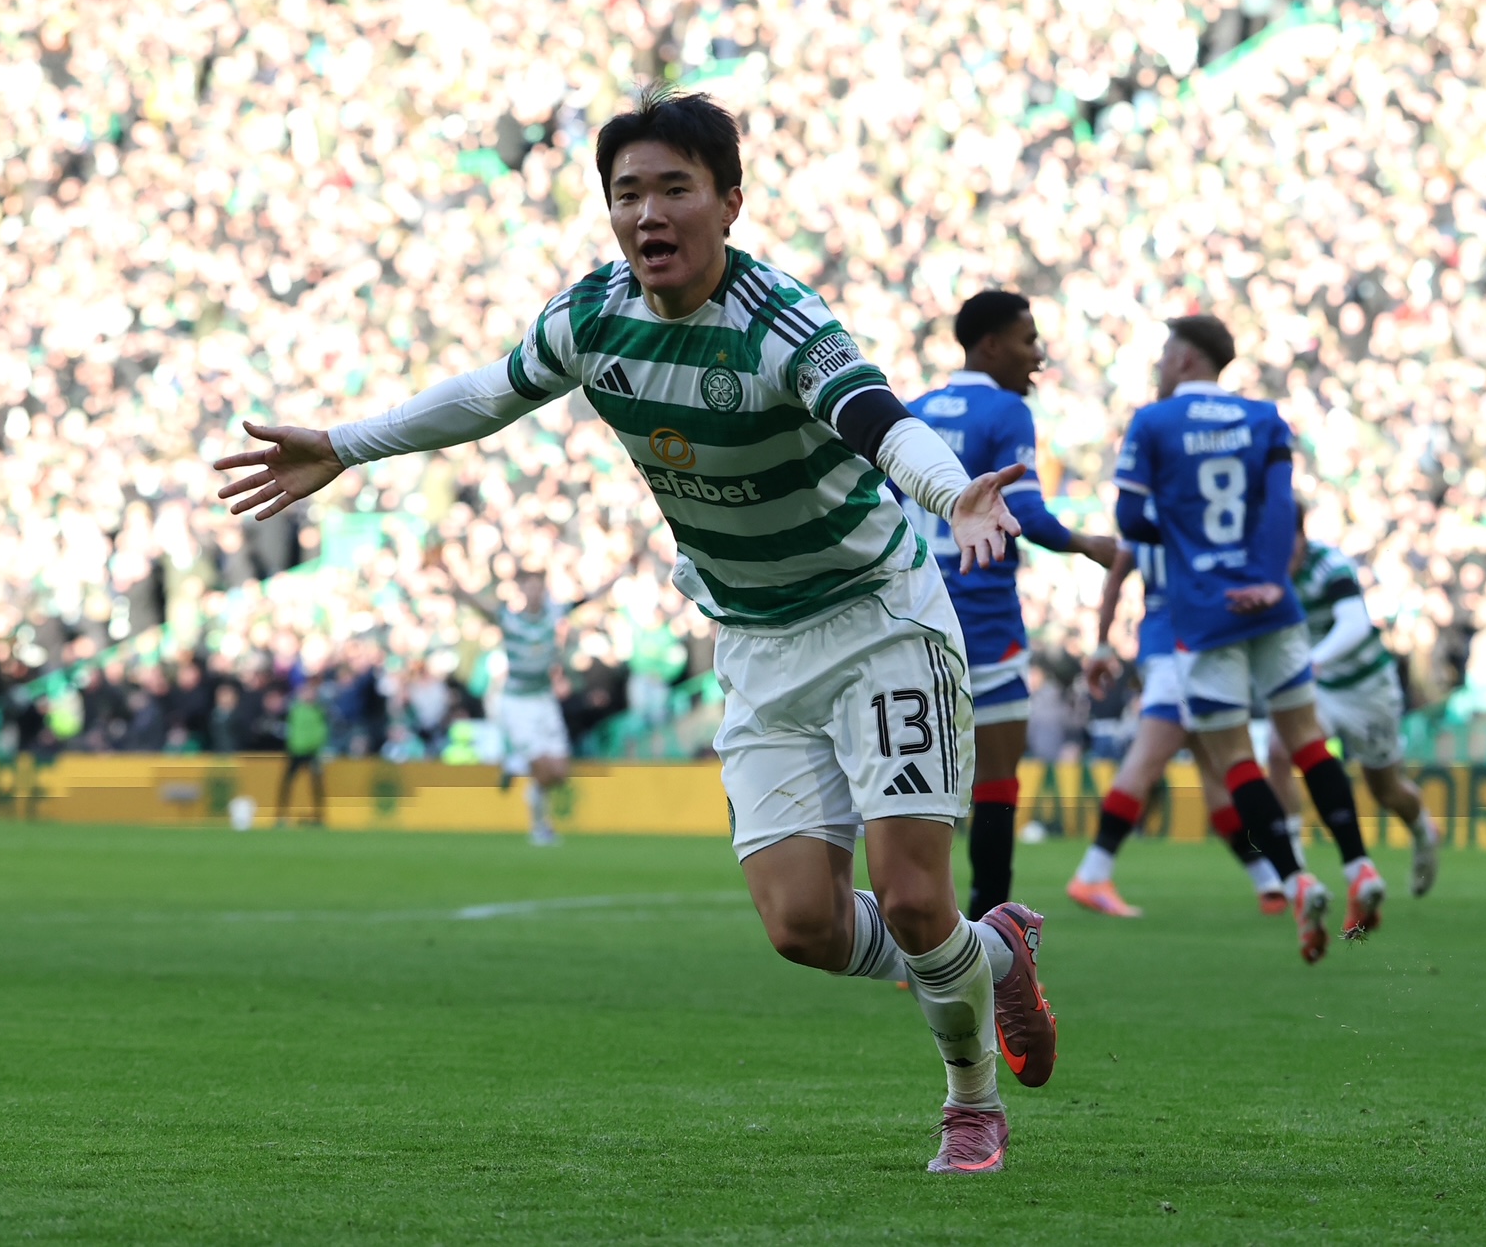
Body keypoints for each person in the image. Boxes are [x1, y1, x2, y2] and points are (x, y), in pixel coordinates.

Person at [215, 88, 1055, 1174]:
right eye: (626, 194)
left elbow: (879, 422)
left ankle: (969, 1104)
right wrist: (344, 442)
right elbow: (486, 393)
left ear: (729, 202)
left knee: (910, 893)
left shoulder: (780, 321)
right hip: (755, 639)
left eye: (673, 189)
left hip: (877, 620)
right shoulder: (592, 317)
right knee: (801, 924)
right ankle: (995, 953)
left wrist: (953, 497)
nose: (647, 213)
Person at [1112, 314, 1386, 963]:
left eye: (1165, 353)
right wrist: (1265, 576)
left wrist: (1186, 537)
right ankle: (1359, 865)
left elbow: (1128, 517)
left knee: (1236, 759)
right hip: (1272, 603)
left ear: (1185, 358)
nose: (1160, 364)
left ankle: (1296, 881)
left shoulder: (1152, 423)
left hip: (1205, 611)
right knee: (1308, 741)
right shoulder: (1265, 418)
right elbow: (1283, 508)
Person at [905, 290, 1117, 920]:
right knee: (995, 781)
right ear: (991, 346)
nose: (1039, 355)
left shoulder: (912, 413)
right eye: (1028, 341)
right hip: (984, 620)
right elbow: (1026, 514)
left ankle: (918, 926)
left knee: (916, 785)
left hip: (914, 619)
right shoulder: (1006, 411)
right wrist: (1089, 545)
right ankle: (991, 931)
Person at [1074, 541, 1291, 917]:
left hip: (1164, 650)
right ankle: (1092, 873)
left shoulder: (1143, 520)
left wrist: (1104, 645)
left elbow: (1117, 574)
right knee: (1146, 763)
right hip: (1184, 654)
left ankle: (1267, 879)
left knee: (1215, 773)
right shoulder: (1189, 519)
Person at [1261, 505, 1441, 897]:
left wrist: (1314, 660)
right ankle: (1292, 865)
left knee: (1386, 790)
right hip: (1317, 689)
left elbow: (1355, 623)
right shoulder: (1265, 568)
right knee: (1279, 749)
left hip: (1367, 689)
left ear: (1302, 538)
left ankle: (1422, 830)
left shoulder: (1329, 565)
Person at [432, 554, 598, 846]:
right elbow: (478, 605)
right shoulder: (509, 618)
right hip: (518, 702)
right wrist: (452, 582)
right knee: (543, 769)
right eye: (529, 587)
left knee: (559, 773)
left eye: (538, 586)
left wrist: (620, 575)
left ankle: (516, 764)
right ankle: (540, 826)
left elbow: (587, 600)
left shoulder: (553, 614)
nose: (534, 592)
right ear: (522, 590)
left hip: (544, 699)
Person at [278, 678, 328, 826]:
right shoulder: (296, 710)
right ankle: (282, 815)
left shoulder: (318, 711)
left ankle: (319, 816)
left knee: (316, 785)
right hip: (297, 752)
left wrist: (317, 747)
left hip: (312, 753)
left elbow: (322, 732)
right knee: (288, 784)